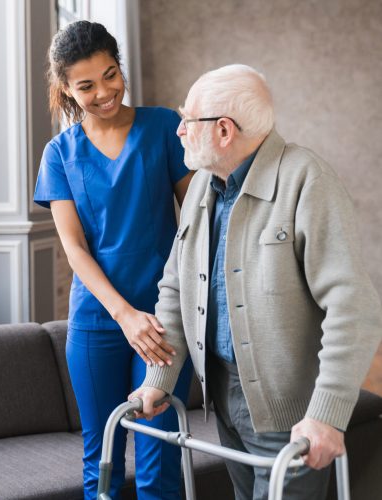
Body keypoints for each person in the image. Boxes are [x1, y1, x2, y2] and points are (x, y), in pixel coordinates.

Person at [130, 64, 382, 500]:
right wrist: (159, 377)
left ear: (224, 131)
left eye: (187, 120)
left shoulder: (306, 180)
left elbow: (353, 306)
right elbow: (176, 287)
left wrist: (326, 414)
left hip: (292, 413)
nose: (179, 132)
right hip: (223, 400)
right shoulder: (202, 189)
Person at [33, 21, 194, 500]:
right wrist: (124, 316)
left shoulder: (164, 127)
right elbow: (75, 249)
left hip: (164, 322)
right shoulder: (59, 154)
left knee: (159, 459)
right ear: (65, 88)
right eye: (86, 85)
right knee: (100, 458)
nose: (104, 92)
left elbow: (195, 224)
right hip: (97, 323)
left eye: (111, 75)